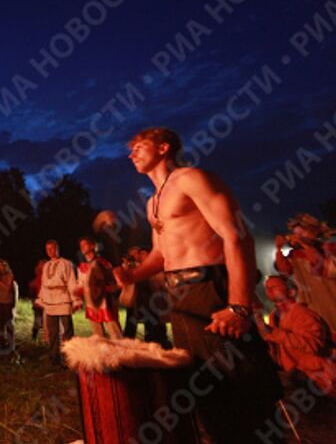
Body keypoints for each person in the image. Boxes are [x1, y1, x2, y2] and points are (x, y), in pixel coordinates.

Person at [114, 127, 281, 443]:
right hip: (179, 298)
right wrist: (131, 275)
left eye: (139, 146)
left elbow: (236, 234)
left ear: (164, 147)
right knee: (204, 389)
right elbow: (160, 255)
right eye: (130, 149)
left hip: (211, 290)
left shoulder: (190, 179)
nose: (131, 153)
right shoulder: (153, 203)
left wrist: (239, 306)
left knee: (242, 390)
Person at [256, 276, 335, 395]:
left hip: (317, 377)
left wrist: (273, 333)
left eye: (275, 286)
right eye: (267, 287)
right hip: (296, 377)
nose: (269, 289)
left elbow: (314, 345)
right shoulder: (274, 317)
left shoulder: (302, 313)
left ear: (291, 291)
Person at [274, 213, 336, 332]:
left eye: (302, 233)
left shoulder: (330, 247)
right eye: (296, 234)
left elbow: (326, 270)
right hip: (313, 305)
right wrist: (278, 249)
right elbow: (284, 272)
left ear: (313, 231)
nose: (298, 237)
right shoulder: (295, 255)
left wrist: (306, 246)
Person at [37, 240, 82, 366]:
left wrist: (76, 300)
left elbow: (72, 282)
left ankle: (69, 358)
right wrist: (40, 299)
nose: (50, 251)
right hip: (50, 301)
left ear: (57, 249)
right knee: (52, 332)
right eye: (47, 249)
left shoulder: (66, 263)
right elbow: (44, 284)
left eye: (52, 248)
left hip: (63, 299)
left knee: (67, 332)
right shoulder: (46, 265)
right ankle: (54, 359)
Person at [78, 237, 123, 339]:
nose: (82, 247)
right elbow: (80, 284)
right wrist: (78, 296)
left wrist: (113, 288)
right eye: (81, 246)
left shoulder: (103, 263)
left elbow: (113, 281)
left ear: (93, 246)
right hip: (91, 303)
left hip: (105, 302)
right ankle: (102, 353)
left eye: (85, 244)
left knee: (114, 331)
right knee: (97, 334)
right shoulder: (82, 266)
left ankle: (121, 352)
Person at [0, 258, 19, 351]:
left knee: (9, 323)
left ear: (6, 265)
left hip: (8, 302)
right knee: (1, 324)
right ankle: (1, 342)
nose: (1, 267)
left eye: (3, 265)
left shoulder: (9, 275)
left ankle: (11, 344)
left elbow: (7, 288)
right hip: (0, 301)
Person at [29, 260, 46, 342]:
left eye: (43, 264)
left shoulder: (47, 275)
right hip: (37, 299)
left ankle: (46, 338)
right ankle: (34, 337)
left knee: (45, 320)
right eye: (40, 264)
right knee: (38, 319)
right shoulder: (38, 275)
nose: (41, 266)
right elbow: (33, 285)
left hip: (46, 300)